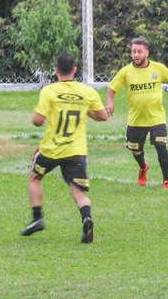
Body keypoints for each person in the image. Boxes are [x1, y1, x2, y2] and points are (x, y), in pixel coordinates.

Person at [22, 52, 109, 243]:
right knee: (78, 190)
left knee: (35, 177)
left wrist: (38, 116)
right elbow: (103, 116)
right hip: (76, 151)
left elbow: (38, 121)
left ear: (56, 71)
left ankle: (37, 219)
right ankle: (86, 217)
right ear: (75, 70)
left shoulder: (49, 91)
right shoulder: (87, 91)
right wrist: (84, 109)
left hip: (51, 149)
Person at [106, 37, 168, 189]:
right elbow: (111, 89)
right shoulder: (125, 72)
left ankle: (166, 181)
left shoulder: (158, 68)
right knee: (135, 149)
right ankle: (143, 167)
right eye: (133, 52)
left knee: (161, 146)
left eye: (139, 52)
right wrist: (110, 103)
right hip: (136, 119)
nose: (136, 55)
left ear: (147, 53)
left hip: (157, 117)